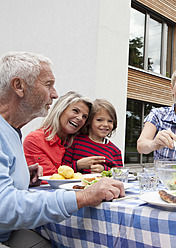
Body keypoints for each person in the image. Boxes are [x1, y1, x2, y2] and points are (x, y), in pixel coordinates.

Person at [0, 51, 124, 247]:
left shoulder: (12, 131)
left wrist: (24, 177)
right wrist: (84, 196)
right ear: (19, 86)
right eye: (48, 84)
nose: (55, 94)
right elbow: (3, 207)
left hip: (10, 232)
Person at [23, 91, 106, 176]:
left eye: (84, 116)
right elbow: (51, 179)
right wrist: (77, 166)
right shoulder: (35, 140)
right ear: (61, 109)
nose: (80, 118)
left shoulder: (78, 143)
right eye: (75, 111)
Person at [63, 99, 123, 173]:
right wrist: (78, 165)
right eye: (99, 120)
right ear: (89, 121)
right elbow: (62, 170)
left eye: (110, 121)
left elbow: (120, 175)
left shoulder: (115, 151)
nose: (105, 124)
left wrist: (104, 170)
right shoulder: (74, 141)